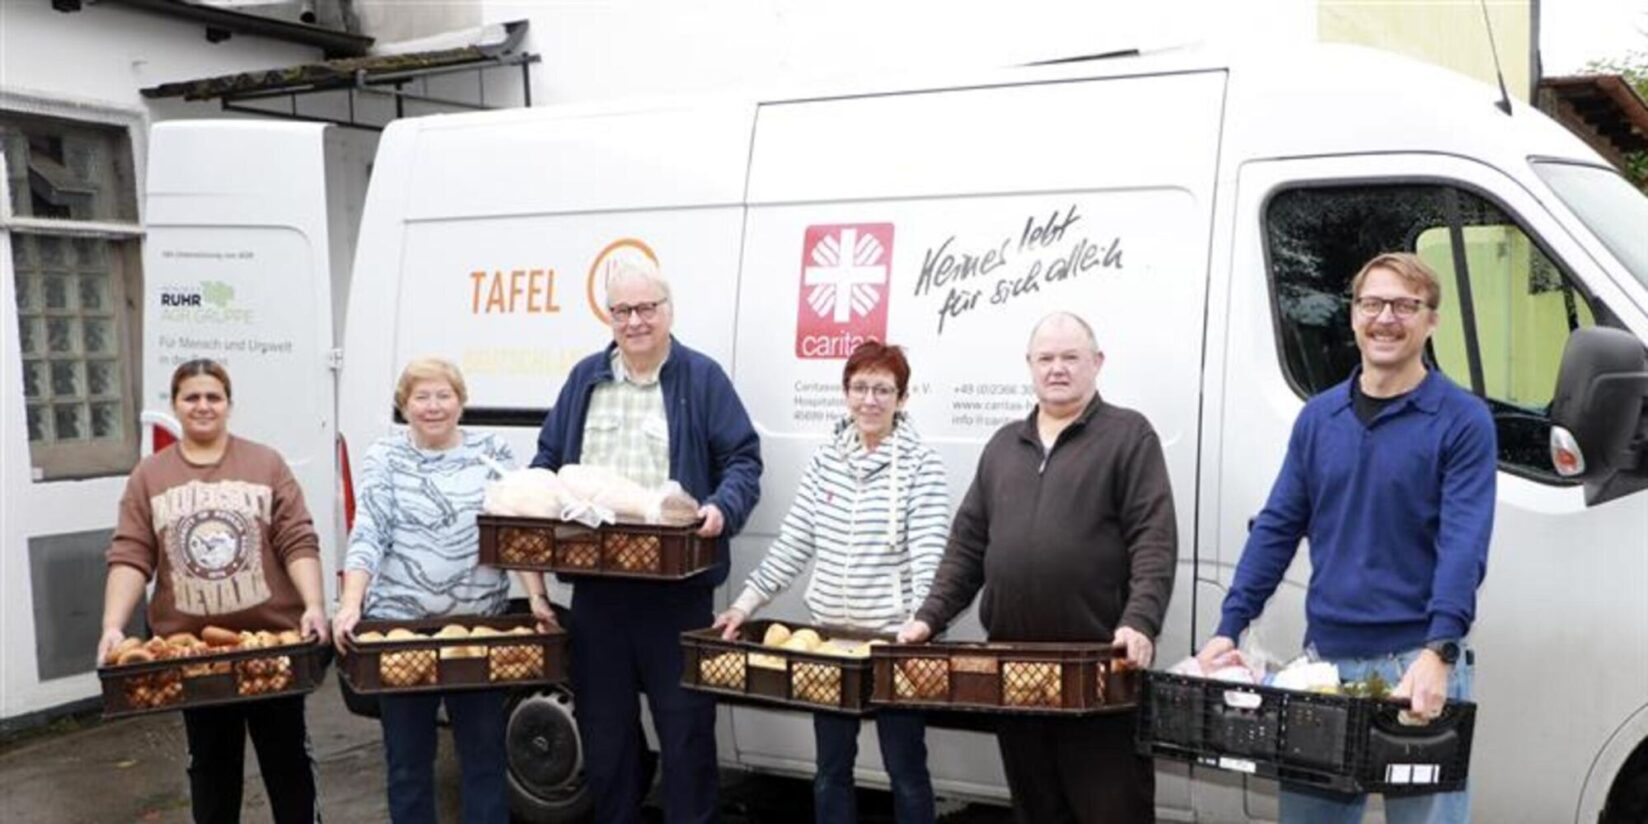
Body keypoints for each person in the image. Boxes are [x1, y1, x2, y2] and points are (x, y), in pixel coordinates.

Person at [1196, 252, 1495, 824]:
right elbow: (1279, 526)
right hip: (1325, 671)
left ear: (1431, 321)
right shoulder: (1319, 418)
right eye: (1373, 304)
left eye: (1406, 305)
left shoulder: (1461, 420)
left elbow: (1464, 543)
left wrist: (1439, 652)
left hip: (1416, 664)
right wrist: (1227, 627)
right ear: (1353, 316)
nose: (1387, 318)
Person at [900, 312, 1177, 824]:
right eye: (1045, 358)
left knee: (1111, 811)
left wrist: (1139, 621)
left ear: (1097, 363)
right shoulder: (1004, 445)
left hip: (1097, 675)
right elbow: (967, 546)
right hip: (1015, 673)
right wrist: (929, 618)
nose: (1057, 369)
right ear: (1029, 366)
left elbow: (1154, 540)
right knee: (1036, 810)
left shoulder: (1129, 436)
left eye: (1070, 357)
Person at [530, 255, 763, 824]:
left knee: (685, 734)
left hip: (674, 593)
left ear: (668, 311)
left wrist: (720, 509)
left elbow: (743, 459)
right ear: (609, 316)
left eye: (646, 308)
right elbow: (548, 461)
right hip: (598, 592)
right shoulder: (585, 378)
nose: (635, 320)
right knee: (605, 740)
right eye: (622, 310)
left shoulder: (701, 377)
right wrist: (534, 507)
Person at [713, 341, 948, 824]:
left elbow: (930, 559)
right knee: (830, 770)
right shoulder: (825, 463)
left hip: (892, 646)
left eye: (883, 389)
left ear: (902, 399)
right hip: (829, 644)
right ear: (845, 394)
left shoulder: (924, 468)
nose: (870, 400)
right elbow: (792, 544)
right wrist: (743, 606)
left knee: (906, 771)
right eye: (860, 387)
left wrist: (920, 628)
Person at [99, 358, 329, 824]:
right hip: (193, 656)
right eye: (192, 397)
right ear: (175, 405)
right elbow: (131, 554)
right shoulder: (150, 475)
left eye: (213, 397)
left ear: (228, 404)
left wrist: (314, 605)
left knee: (288, 766)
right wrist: (112, 627)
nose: (203, 406)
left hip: (270, 647)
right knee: (211, 770)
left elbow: (297, 539)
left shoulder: (264, 463)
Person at [332, 357, 547, 824]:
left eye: (443, 395)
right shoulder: (385, 457)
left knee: (484, 759)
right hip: (400, 633)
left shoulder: (492, 450)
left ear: (461, 401)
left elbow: (514, 529)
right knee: (408, 764)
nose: (433, 407)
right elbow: (368, 531)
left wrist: (536, 597)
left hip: (478, 631)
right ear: (404, 406)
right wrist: (351, 604)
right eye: (421, 397)